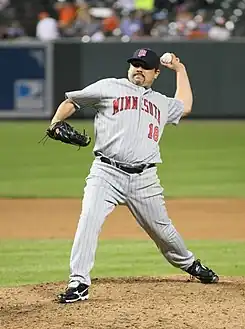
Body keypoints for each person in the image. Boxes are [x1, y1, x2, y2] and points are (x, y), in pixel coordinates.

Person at [49, 48, 219, 303]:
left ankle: (190, 264)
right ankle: (79, 282)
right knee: (88, 221)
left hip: (144, 179)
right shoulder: (109, 87)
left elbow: (185, 106)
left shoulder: (161, 102)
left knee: (163, 231)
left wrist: (181, 70)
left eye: (145, 66)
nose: (138, 68)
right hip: (105, 172)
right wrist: (54, 123)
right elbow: (71, 101)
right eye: (135, 64)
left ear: (156, 72)